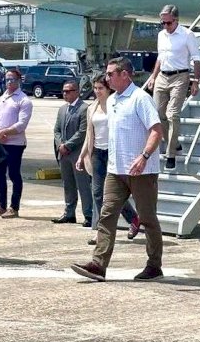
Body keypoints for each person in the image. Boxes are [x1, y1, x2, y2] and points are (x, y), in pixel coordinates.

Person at [71, 57, 163, 282]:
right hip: (116, 170)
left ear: (125, 75)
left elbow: (156, 130)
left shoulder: (140, 99)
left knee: (148, 219)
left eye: (111, 73)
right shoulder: (112, 100)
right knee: (107, 216)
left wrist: (144, 156)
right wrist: (87, 154)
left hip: (142, 171)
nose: (107, 77)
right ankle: (98, 265)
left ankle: (154, 265)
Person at [76, 73, 139, 245]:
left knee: (113, 193)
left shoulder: (115, 105)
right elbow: (90, 135)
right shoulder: (91, 108)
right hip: (97, 153)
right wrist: (82, 156)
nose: (97, 92)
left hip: (114, 152)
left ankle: (132, 217)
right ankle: (100, 231)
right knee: (97, 193)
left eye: (100, 88)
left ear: (108, 88)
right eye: (95, 88)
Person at [144, 5, 200, 170]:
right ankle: (174, 143)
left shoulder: (187, 35)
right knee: (158, 114)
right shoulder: (161, 35)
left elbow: (196, 59)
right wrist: (153, 77)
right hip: (162, 76)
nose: (165, 26)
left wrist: (195, 81)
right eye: (162, 23)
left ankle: (171, 155)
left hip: (180, 76)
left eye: (168, 23)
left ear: (176, 20)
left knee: (172, 114)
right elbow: (160, 58)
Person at [0, 68, 32, 218]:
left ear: (19, 81)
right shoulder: (2, 98)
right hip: (0, 142)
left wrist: (3, 132)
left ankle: (14, 206)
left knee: (13, 174)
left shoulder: (24, 100)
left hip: (15, 143)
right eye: (7, 79)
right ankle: (1, 205)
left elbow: (21, 124)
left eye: (12, 79)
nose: (9, 82)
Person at [52, 80, 93, 226]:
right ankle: (69, 213)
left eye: (68, 91)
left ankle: (89, 215)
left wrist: (68, 145)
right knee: (68, 185)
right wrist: (60, 144)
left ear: (76, 91)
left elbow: (82, 132)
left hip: (77, 154)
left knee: (83, 185)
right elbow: (56, 129)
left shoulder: (84, 109)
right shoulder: (62, 109)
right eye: (64, 91)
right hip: (64, 154)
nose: (65, 94)